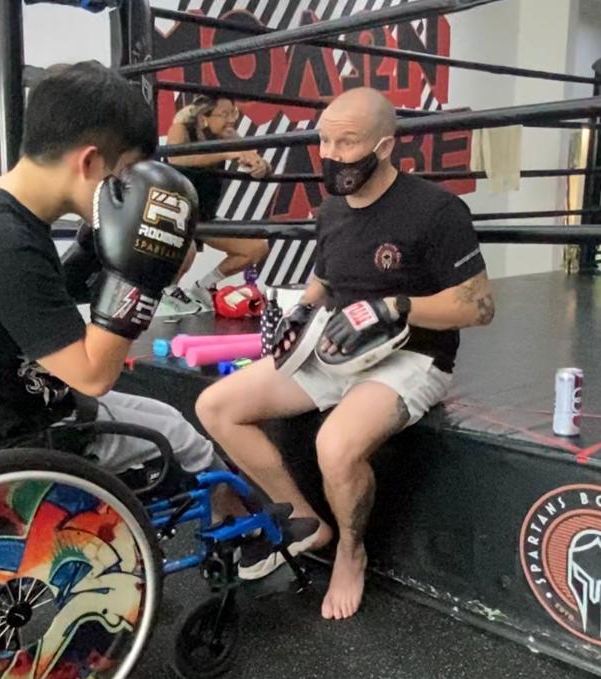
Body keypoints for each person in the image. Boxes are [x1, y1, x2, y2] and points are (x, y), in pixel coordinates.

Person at [196, 87, 495, 620]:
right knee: (216, 406)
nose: (331, 153)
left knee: (334, 446)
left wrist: (398, 307)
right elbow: (325, 278)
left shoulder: (437, 210)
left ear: (383, 146)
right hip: (335, 344)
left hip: (412, 356)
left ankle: (350, 554)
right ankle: (308, 523)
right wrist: (296, 310)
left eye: (346, 141)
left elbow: (479, 308)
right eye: (325, 140)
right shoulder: (333, 209)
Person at [0, 61, 252, 527]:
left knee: (159, 410)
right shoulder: (1, 241)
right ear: (90, 161)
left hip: (7, 396)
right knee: (181, 434)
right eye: (126, 176)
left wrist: (95, 251)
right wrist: (141, 277)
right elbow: (93, 377)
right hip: (26, 431)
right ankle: (242, 537)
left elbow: (36, 300)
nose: (129, 192)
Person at [162, 94, 271, 314]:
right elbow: (177, 159)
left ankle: (204, 285)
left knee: (257, 247)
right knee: (187, 249)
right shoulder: (181, 129)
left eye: (234, 114)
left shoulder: (228, 135)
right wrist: (227, 152)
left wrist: (261, 167)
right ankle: (167, 290)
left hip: (204, 216)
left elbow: (253, 158)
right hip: (174, 215)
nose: (231, 120)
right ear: (204, 117)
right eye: (225, 114)